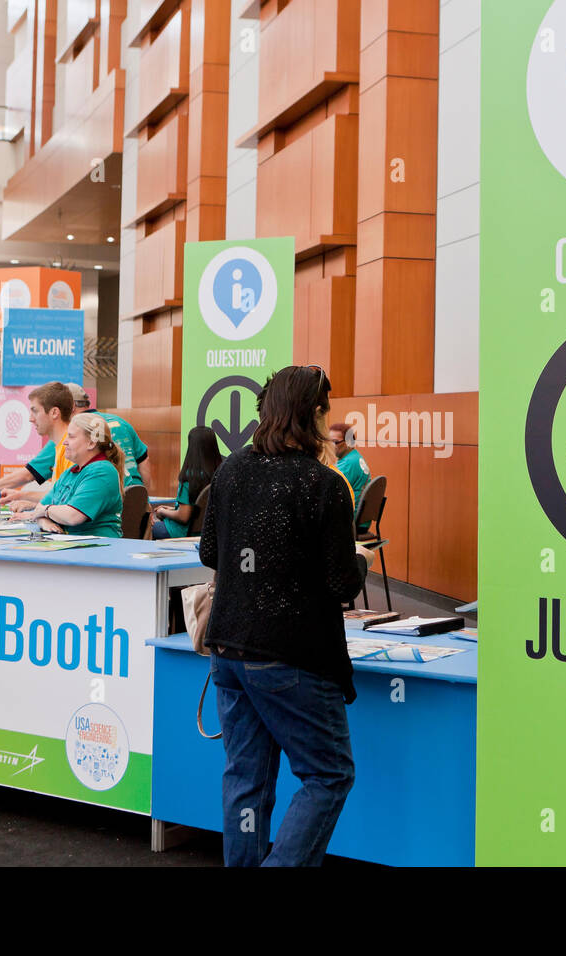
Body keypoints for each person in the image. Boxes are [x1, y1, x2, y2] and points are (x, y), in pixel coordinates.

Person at [199, 365, 364, 867]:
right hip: (291, 658)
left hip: (228, 649)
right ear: (314, 413)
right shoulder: (325, 483)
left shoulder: (231, 469)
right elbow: (340, 584)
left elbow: (211, 553)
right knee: (328, 775)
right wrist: (361, 560)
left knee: (246, 780)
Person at [7, 413, 124, 537]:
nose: (65, 442)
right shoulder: (71, 471)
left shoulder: (102, 471)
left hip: (97, 548)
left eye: (71, 437)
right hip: (72, 544)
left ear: (91, 443)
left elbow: (72, 516)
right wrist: (43, 521)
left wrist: (45, 511)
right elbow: (39, 509)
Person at [0, 382, 74, 506]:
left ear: (54, 413)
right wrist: (22, 496)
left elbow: (69, 506)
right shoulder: (59, 447)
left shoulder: (71, 449)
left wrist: (38, 511)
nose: (31, 419)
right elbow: (59, 496)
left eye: (35, 411)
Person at [65, 384, 152, 490]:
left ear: (72, 406)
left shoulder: (73, 430)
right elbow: (144, 460)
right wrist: (144, 497)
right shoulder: (121, 422)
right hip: (135, 491)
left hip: (104, 494)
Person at [153, 426, 221, 538]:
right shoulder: (219, 473)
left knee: (153, 525)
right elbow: (197, 509)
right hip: (207, 533)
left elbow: (184, 516)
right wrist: (172, 509)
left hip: (182, 533)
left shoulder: (190, 477)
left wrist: (162, 512)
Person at [328, 422, 371, 519]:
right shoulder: (355, 457)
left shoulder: (348, 464)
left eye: (335, 442)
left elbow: (328, 489)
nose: (330, 446)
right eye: (328, 442)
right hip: (358, 519)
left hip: (349, 520)